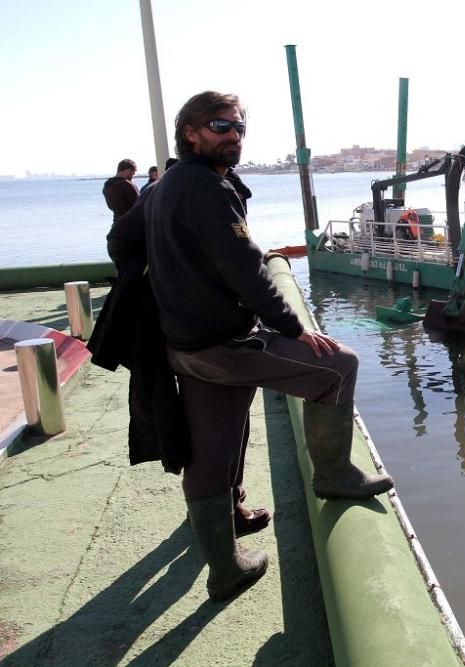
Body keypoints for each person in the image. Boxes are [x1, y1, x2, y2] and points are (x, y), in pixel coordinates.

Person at [145, 91, 393, 602]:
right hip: (224, 344)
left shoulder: (163, 184)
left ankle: (226, 566)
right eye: (220, 126)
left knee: (212, 450)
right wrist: (293, 325)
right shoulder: (208, 189)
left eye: (238, 127)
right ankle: (335, 475)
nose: (233, 135)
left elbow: (123, 241)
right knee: (340, 365)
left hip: (186, 344)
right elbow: (246, 269)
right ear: (190, 133)